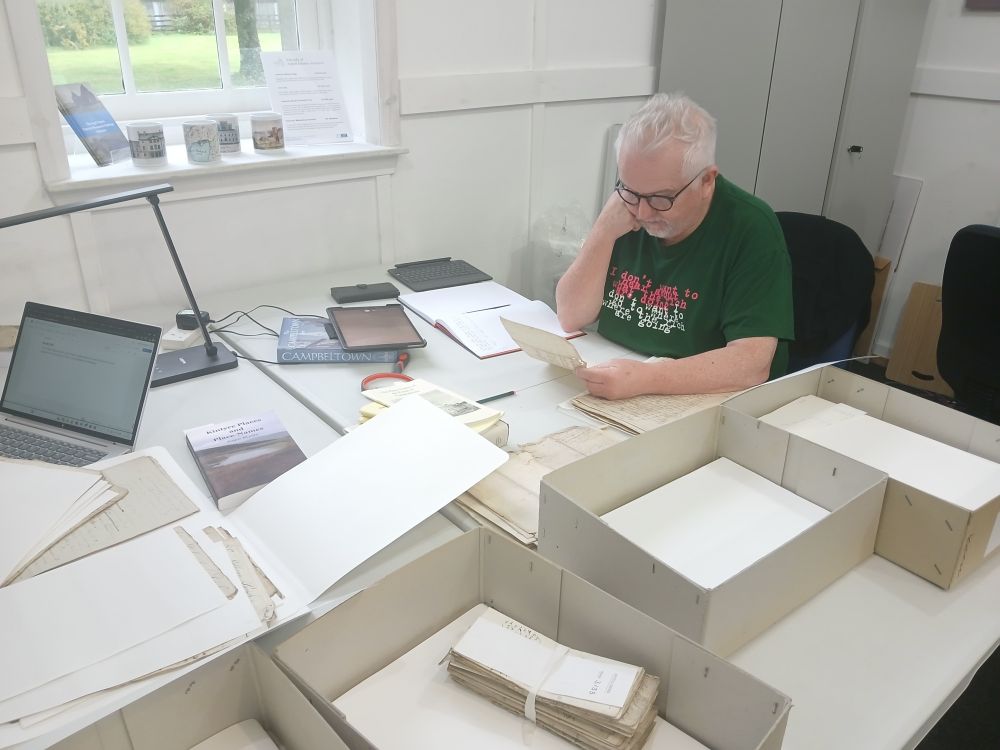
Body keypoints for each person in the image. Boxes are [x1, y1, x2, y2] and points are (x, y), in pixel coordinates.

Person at [556, 92, 794, 400]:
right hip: (620, 376)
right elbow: (571, 315)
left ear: (707, 181)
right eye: (629, 190)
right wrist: (603, 231)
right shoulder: (627, 209)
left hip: (701, 396)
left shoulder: (751, 227)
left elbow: (751, 363)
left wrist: (647, 378)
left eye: (661, 198)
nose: (642, 213)